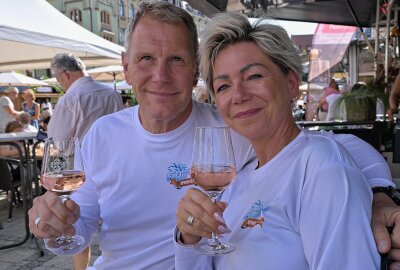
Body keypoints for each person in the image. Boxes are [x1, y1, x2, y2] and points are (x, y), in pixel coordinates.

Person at [27, 2, 400, 269]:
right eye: (146, 60)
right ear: (126, 67)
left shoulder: (232, 128)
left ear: (193, 74)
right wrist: (56, 226)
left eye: (176, 60)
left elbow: (334, 149)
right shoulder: (102, 135)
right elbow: (80, 228)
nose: (160, 76)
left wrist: (380, 195)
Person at [174, 13, 392, 269]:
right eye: (223, 87)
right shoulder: (238, 180)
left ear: (291, 84)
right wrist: (188, 236)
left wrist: (382, 193)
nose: (239, 95)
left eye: (254, 76)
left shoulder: (320, 169)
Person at [46, 53, 124, 269]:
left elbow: (58, 141)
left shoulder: (71, 98)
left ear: (65, 74)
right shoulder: (111, 93)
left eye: (58, 79)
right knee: (113, 214)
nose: (60, 83)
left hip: (76, 165)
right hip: (116, 160)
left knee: (78, 219)